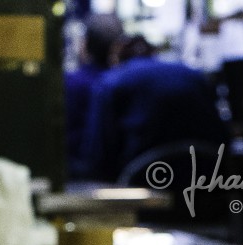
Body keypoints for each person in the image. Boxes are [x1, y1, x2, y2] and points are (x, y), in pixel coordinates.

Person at [78, 34, 228, 183]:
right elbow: (222, 134)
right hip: (206, 179)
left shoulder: (111, 82)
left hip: (143, 185)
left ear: (116, 58)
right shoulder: (194, 76)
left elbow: (99, 153)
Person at [65, 13, 125, 180]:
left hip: (77, 177)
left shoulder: (70, 84)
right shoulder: (125, 84)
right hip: (120, 175)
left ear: (84, 44)